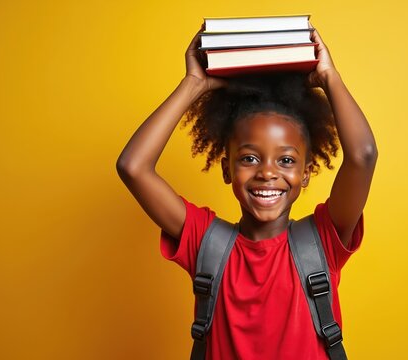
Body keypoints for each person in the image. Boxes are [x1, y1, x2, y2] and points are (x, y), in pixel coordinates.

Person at [117, 24, 378, 359]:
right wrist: (193, 84)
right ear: (227, 169)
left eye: (286, 159)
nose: (267, 172)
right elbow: (133, 167)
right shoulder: (206, 241)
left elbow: (363, 156)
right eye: (249, 158)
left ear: (307, 171)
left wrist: (329, 77)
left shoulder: (323, 240)